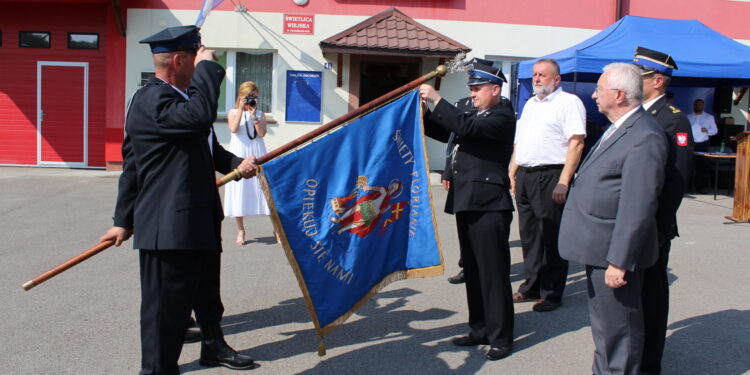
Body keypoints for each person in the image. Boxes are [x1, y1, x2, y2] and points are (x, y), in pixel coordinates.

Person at [99, 25, 259, 374]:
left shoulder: (185, 100)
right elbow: (134, 166)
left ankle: (213, 346)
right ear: (178, 60)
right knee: (165, 313)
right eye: (195, 58)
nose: (201, 64)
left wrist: (237, 164)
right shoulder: (152, 100)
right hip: (169, 227)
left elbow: (207, 148)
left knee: (206, 296)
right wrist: (122, 221)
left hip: (198, 219)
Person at [559, 62, 667, 375]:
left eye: (599, 90)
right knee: (606, 332)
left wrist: (619, 261)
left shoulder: (644, 136)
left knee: (620, 335)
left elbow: (638, 206)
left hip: (614, 256)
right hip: (599, 250)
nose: (593, 95)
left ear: (618, 95)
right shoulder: (620, 128)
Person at [419, 61, 516, 361]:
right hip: (468, 200)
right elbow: (446, 129)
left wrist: (437, 98)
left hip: (489, 204)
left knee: (493, 273)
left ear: (495, 89)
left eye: (477, 89)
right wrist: (424, 109)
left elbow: (466, 126)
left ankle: (501, 337)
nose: (472, 94)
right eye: (471, 89)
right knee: (473, 271)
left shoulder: (502, 115)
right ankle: (479, 329)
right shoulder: (475, 113)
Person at [633, 46, 694, 375]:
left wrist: (658, 225)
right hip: (634, 222)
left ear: (657, 81)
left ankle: (648, 364)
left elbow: (678, 177)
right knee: (634, 294)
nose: (633, 81)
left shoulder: (674, 118)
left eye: (639, 76)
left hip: (653, 224)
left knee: (652, 296)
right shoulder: (640, 114)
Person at [508, 58, 586, 312]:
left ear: (557, 79)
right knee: (529, 235)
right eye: (534, 75)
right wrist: (512, 170)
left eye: (542, 74)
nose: (537, 79)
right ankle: (531, 286)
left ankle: (551, 292)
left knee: (551, 235)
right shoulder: (530, 104)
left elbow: (576, 142)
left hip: (551, 175)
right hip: (526, 175)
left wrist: (564, 181)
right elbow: (520, 141)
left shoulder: (568, 103)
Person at [224, 81, 277, 245]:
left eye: (253, 96)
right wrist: (241, 108)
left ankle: (276, 230)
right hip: (240, 153)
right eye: (247, 96)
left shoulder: (260, 114)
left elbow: (261, 133)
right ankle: (241, 230)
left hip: (257, 152)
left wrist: (254, 115)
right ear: (240, 96)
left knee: (265, 191)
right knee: (239, 189)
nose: (250, 99)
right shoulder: (233, 111)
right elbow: (233, 129)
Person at [687, 98, 717, 193]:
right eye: (696, 105)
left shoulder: (709, 117)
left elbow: (715, 130)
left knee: (701, 167)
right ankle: (688, 187)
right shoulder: (689, 116)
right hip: (690, 144)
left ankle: (700, 187)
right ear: (693, 106)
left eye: (700, 105)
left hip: (702, 144)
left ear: (703, 106)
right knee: (689, 166)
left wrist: (707, 131)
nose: (698, 106)